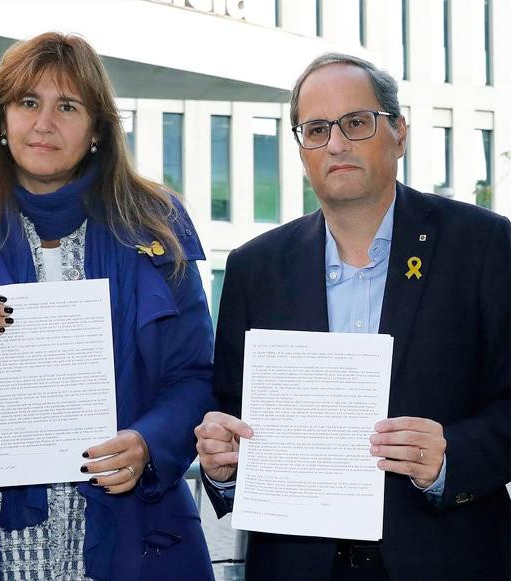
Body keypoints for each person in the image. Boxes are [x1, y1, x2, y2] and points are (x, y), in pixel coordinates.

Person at [0, 32, 216, 581]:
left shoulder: (156, 224)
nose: (44, 122)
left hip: (136, 538)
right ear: (0, 120)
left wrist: (148, 444)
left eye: (68, 106)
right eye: (28, 102)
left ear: (96, 130)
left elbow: (196, 377)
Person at [195, 53, 510, 581]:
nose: (335, 143)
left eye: (356, 123)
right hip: (296, 566)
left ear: (399, 133)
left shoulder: (485, 245)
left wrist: (451, 457)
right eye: (316, 129)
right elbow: (228, 415)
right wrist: (222, 466)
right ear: (301, 151)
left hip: (450, 559)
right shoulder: (256, 268)